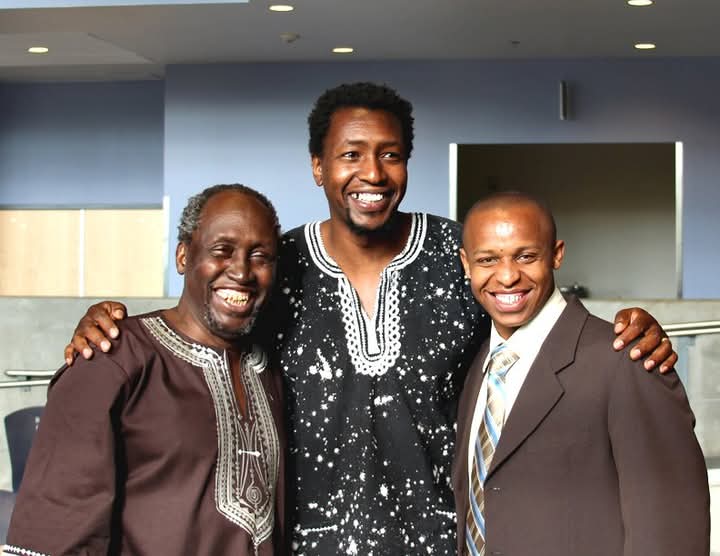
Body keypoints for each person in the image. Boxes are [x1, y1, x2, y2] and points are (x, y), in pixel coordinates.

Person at [65, 83, 676, 555]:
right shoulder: (276, 265)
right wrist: (113, 326)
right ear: (317, 166)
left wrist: (627, 330)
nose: (373, 174)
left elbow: (534, 328)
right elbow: (206, 328)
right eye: (350, 155)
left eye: (390, 155)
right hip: (305, 544)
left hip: (447, 541)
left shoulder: (457, 254)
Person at [5, 185, 286, 555]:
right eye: (222, 250)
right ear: (183, 256)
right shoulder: (111, 359)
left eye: (261, 257)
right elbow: (53, 534)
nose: (242, 271)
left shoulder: (270, 371)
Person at [453, 191, 709, 556]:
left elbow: (671, 528)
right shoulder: (478, 363)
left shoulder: (626, 359)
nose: (507, 276)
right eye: (487, 259)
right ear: (466, 264)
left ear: (556, 254)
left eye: (526, 256)